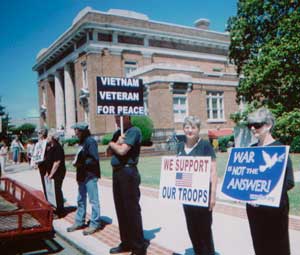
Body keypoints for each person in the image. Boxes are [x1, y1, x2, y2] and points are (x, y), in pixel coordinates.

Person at [246, 107, 295, 255]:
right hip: (254, 209)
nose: (253, 128)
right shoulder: (251, 149)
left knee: (277, 247)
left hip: (275, 209)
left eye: (258, 124)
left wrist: (265, 193)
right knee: (259, 246)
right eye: (250, 125)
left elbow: (289, 181)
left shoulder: (279, 148)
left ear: (268, 125)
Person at [176, 116, 217, 255]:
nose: (190, 130)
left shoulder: (205, 145)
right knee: (192, 229)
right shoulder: (180, 146)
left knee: (204, 231)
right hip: (187, 197)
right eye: (187, 127)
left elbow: (213, 172)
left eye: (193, 127)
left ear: (198, 130)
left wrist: (212, 196)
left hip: (203, 196)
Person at [107, 115, 146, 255]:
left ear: (128, 117)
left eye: (120, 117)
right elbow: (108, 153)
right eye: (115, 117)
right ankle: (126, 242)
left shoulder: (134, 131)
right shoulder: (118, 133)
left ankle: (138, 247)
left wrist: (113, 144)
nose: (117, 120)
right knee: (121, 209)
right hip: (117, 172)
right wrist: (116, 142)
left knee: (131, 210)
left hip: (128, 172)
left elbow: (123, 151)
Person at [67, 122, 102, 235]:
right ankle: (79, 221)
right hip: (82, 175)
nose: (75, 132)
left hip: (90, 175)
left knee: (93, 200)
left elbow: (94, 159)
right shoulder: (81, 142)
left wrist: (81, 163)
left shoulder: (90, 142)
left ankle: (95, 223)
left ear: (82, 131)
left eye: (76, 130)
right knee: (80, 199)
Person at [46, 129, 66, 217]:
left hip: (58, 173)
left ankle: (61, 211)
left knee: (57, 190)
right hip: (52, 173)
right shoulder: (51, 147)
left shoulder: (58, 147)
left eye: (48, 136)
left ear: (53, 138)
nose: (47, 138)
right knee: (53, 191)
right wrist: (48, 172)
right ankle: (56, 208)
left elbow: (57, 162)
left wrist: (51, 174)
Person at [35, 128, 50, 198]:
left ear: (43, 134)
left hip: (46, 164)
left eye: (39, 133)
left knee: (48, 182)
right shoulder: (38, 143)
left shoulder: (47, 142)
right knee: (43, 182)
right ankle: (47, 196)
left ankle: (50, 197)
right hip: (40, 164)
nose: (38, 135)